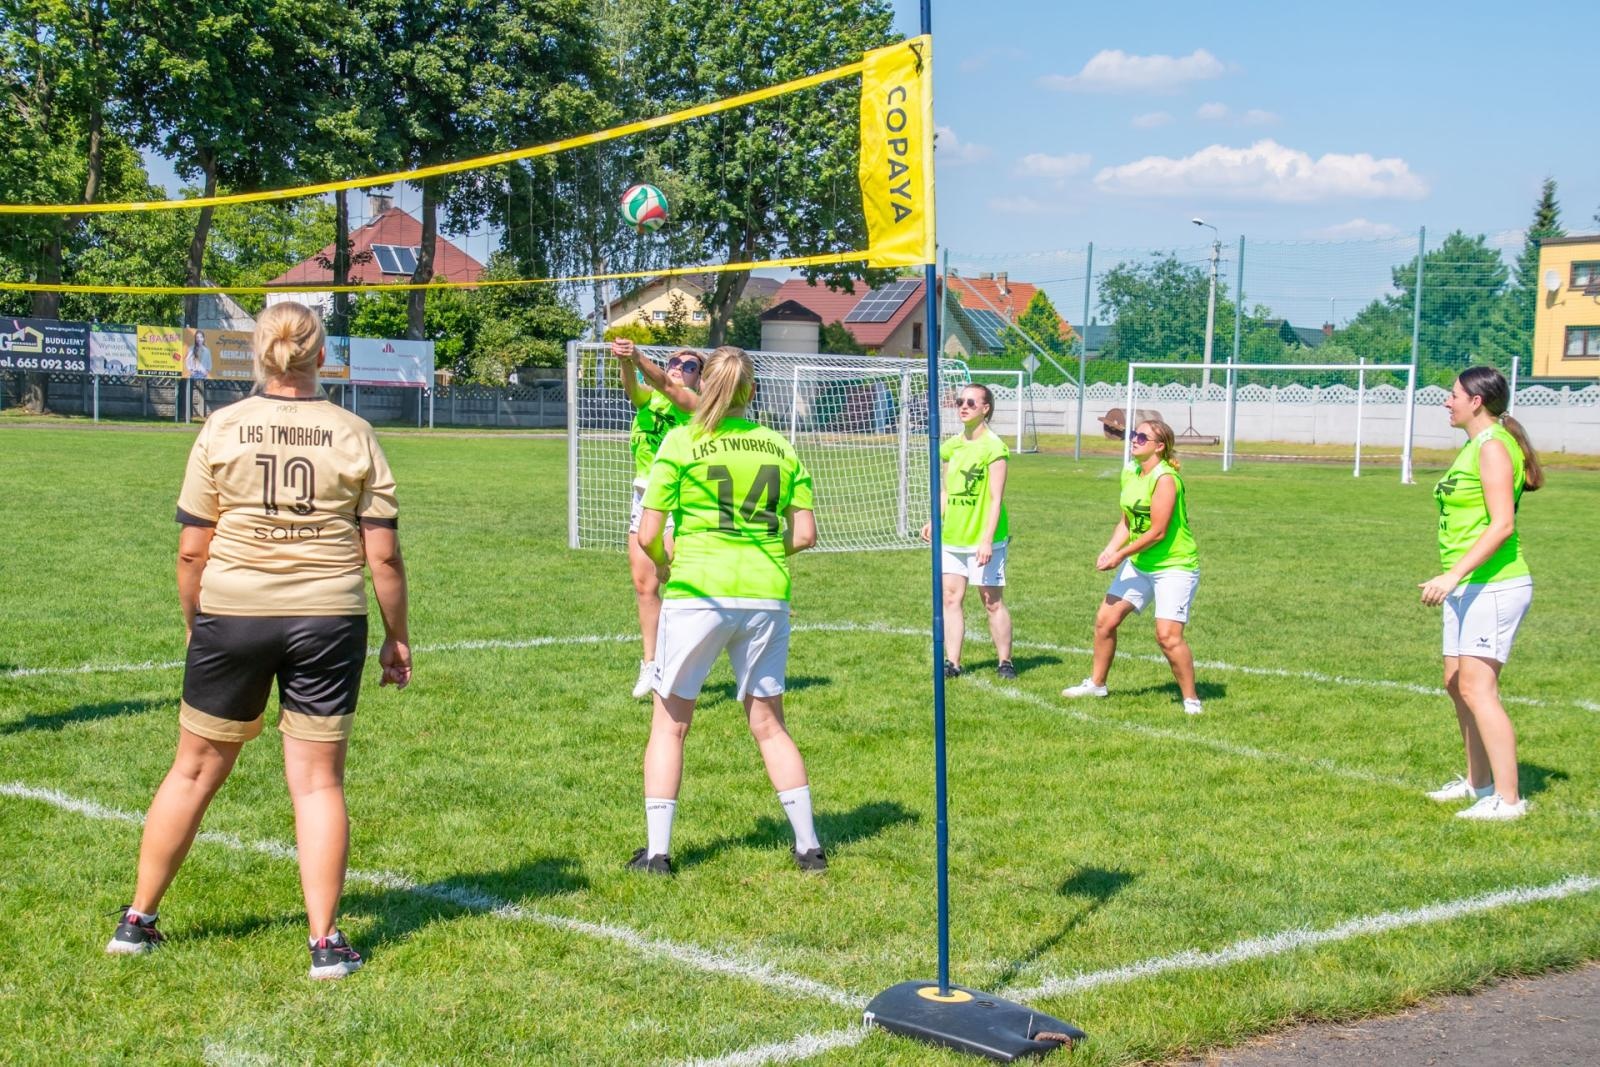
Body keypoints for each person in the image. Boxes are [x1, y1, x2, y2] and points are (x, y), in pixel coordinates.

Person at [106, 301, 411, 978]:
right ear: (322, 355)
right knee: (317, 782)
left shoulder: (222, 426)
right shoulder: (354, 431)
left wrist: (197, 621)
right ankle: (326, 942)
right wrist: (398, 638)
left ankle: (137, 920)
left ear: (258, 351)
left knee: (192, 769)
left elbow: (192, 549)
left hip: (232, 612)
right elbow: (383, 558)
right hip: (329, 617)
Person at [632, 345, 823, 875]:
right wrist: (760, 551)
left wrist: (668, 559)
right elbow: (804, 534)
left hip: (700, 591)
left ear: (705, 386)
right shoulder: (780, 445)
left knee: (671, 722)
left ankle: (658, 853)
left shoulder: (681, 439)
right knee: (769, 724)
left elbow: (649, 534)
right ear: (751, 390)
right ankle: (809, 847)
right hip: (767, 594)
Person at [1420, 366, 1541, 821]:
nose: (1446, 402)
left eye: (1452, 395)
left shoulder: (1492, 447)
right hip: (1470, 583)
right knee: (1457, 685)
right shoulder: (1476, 445)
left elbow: (1502, 523)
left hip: (1493, 583)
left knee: (1478, 688)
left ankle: (1509, 801)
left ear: (1476, 401)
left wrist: (1453, 576)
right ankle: (1478, 783)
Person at [1062, 419, 1203, 714]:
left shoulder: (1166, 478)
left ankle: (1191, 699)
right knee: (1105, 620)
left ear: (1159, 446)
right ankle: (1097, 685)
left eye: (1142, 436)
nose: (1134, 439)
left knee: (1167, 636)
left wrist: (1120, 556)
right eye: (1133, 435)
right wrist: (1110, 548)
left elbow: (1158, 532)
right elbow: (1129, 520)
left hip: (1174, 565)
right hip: (1140, 562)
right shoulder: (1131, 471)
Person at [615, 337, 701, 699]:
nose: (678, 367)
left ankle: (681, 661)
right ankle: (651, 664)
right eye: (674, 361)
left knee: (676, 584)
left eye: (689, 365)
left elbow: (664, 384)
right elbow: (634, 387)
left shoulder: (694, 405)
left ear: (701, 378)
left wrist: (636, 355)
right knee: (644, 585)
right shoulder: (649, 400)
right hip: (644, 495)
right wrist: (624, 361)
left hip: (677, 500)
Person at [922, 383, 1015, 679]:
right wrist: (935, 520)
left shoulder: (995, 447)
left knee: (991, 600)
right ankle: (953, 662)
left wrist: (987, 540)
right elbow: (947, 491)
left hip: (983, 539)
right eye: (960, 401)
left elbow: (995, 498)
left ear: (985, 408)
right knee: (951, 597)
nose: (963, 406)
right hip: (953, 537)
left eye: (971, 403)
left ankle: (1005, 661)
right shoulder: (951, 446)